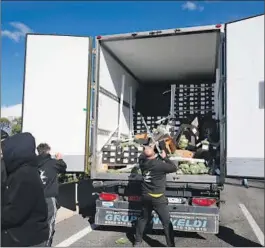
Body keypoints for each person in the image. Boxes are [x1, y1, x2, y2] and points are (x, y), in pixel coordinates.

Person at [1, 132, 49, 247]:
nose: (3, 153)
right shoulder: (18, 171)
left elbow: (14, 213)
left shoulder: (25, 175)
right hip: (19, 237)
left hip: (26, 240)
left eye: (4, 149)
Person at [134, 144, 177, 247]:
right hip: (158, 198)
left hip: (146, 197)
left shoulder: (142, 164)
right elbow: (174, 168)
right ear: (155, 153)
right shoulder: (160, 165)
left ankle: (137, 241)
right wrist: (165, 157)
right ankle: (170, 245)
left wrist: (148, 149)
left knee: (143, 219)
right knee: (166, 222)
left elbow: (141, 157)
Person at [36, 143, 67, 247]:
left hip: (34, 199)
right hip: (49, 198)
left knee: (36, 222)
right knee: (49, 222)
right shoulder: (53, 163)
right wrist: (59, 159)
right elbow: (63, 168)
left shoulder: (32, 164)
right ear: (48, 151)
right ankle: (46, 245)